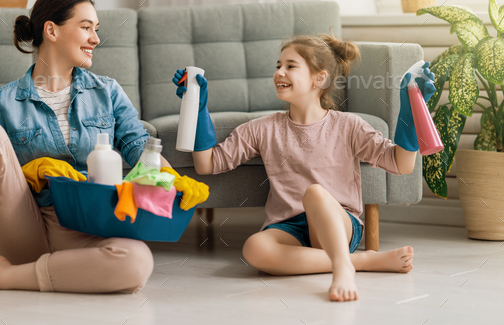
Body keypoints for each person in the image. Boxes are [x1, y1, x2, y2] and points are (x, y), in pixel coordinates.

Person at [0, 0, 171, 297]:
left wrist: (171, 180)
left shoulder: (108, 92)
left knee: (137, 262)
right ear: (52, 30)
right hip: (24, 225)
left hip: (85, 228)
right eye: (86, 27)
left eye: (96, 30)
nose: (95, 39)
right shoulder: (4, 101)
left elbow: (141, 147)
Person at [173, 33, 436, 302]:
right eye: (278, 66)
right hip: (289, 229)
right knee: (254, 248)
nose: (279, 72)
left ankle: (343, 267)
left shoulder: (348, 126)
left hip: (336, 223)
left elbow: (402, 164)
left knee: (315, 194)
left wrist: (410, 107)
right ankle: (361, 261)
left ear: (318, 78)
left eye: (290, 65)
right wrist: (198, 106)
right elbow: (207, 164)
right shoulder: (262, 129)